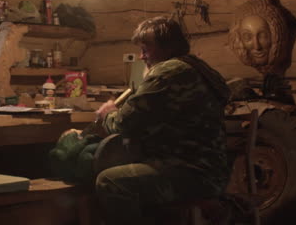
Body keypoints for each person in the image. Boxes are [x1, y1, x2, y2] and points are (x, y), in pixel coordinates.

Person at [95, 16, 231, 225]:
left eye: (146, 49)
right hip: (211, 169)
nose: (141, 56)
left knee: (110, 181)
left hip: (192, 173)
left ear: (168, 48)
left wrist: (108, 114)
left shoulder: (167, 73)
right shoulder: (196, 67)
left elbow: (124, 123)